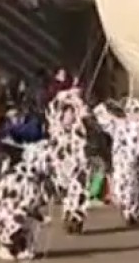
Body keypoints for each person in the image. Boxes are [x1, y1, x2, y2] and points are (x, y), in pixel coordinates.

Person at [92, 97, 139, 226]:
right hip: (120, 163)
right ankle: (128, 210)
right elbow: (99, 114)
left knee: (134, 190)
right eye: (130, 111)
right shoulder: (118, 124)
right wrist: (109, 104)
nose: (133, 114)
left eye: (136, 111)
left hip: (135, 164)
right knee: (120, 191)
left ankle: (133, 214)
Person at [42, 83, 91, 233]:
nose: (69, 117)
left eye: (72, 114)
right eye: (67, 113)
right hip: (62, 170)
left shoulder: (79, 130)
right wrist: (67, 94)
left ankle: (75, 220)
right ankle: (68, 216)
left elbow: (85, 113)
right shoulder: (56, 129)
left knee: (78, 194)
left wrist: (77, 98)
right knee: (66, 195)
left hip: (78, 168)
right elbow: (52, 107)